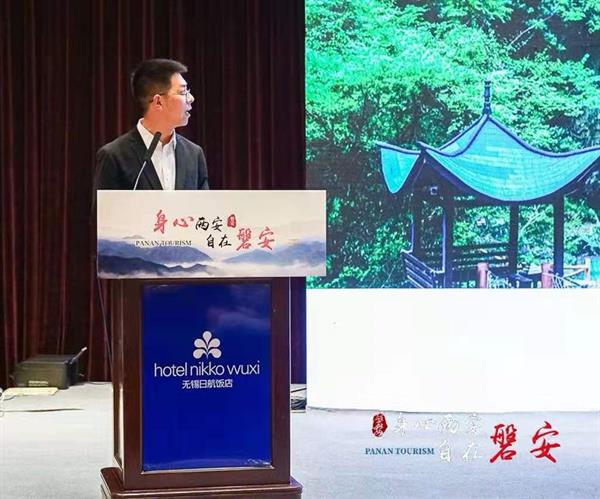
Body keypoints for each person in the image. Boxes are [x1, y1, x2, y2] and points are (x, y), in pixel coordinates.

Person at [95, 58, 208, 190]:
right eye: (183, 92)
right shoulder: (114, 156)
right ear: (158, 102)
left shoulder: (194, 154)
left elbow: (203, 203)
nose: (191, 98)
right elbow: (104, 204)